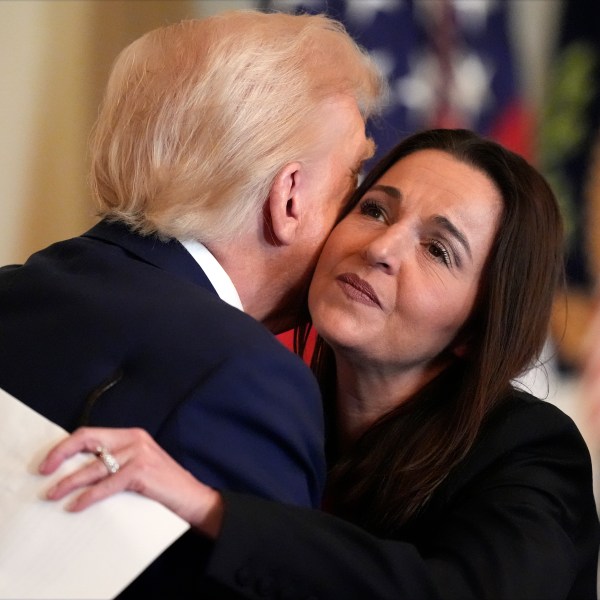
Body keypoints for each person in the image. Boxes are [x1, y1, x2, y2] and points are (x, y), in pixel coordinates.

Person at [41, 129, 600, 599]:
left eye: (438, 250)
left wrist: (212, 510)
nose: (382, 248)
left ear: (477, 331)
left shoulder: (532, 450)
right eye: (375, 209)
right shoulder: (270, 404)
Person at [0, 10, 384, 598]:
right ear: (290, 199)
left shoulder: (19, 286)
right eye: (353, 176)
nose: (362, 217)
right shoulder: (247, 381)